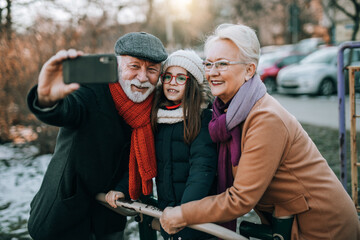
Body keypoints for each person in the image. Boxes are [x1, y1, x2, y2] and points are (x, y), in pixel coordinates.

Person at [159, 23, 360, 239]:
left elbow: (241, 199)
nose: (212, 72)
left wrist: (182, 213)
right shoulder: (226, 114)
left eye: (223, 64)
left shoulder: (265, 118)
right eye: (208, 64)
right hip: (289, 219)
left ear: (249, 70)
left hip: (321, 225)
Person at [26, 32, 167, 240]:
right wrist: (46, 100)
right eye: (134, 66)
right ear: (118, 66)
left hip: (109, 218)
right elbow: (69, 109)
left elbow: (137, 160)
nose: (143, 77)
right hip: (65, 214)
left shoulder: (154, 109)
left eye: (152, 69)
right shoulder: (92, 90)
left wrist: (122, 188)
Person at [105, 49, 218, 240]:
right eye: (167, 77)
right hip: (167, 213)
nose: (172, 82)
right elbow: (144, 160)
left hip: (196, 217)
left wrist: (183, 213)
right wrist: (122, 188)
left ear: (193, 84)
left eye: (181, 78)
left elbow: (202, 171)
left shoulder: (202, 119)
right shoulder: (157, 118)